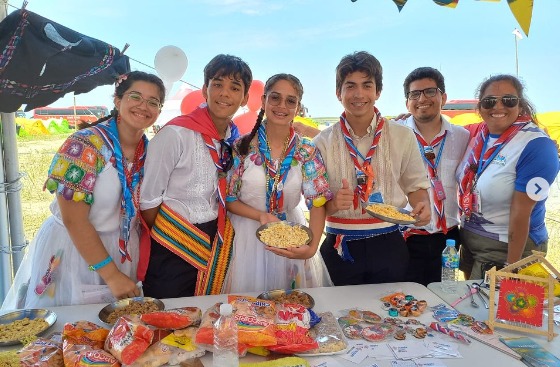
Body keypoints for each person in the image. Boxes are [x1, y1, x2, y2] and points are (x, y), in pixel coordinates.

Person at [1, 71, 165, 309]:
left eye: (153, 102)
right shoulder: (85, 145)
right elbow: (73, 220)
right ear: (118, 101)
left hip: (120, 249)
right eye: (135, 97)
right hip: (76, 248)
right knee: (70, 328)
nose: (144, 106)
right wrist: (111, 275)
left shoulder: (149, 152)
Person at [313, 51, 431, 286]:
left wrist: (422, 207)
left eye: (367, 85)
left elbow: (415, 187)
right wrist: (334, 203)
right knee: (340, 315)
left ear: (378, 91)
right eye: (350, 86)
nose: (359, 94)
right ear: (339, 93)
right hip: (340, 245)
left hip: (389, 243)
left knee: (388, 316)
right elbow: (316, 203)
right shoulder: (322, 142)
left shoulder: (403, 136)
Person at [140, 54, 253, 298]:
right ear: (204, 89)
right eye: (218, 84)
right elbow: (148, 200)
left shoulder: (233, 139)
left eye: (235, 88)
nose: (225, 93)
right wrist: (170, 235)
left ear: (244, 98)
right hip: (173, 240)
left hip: (215, 238)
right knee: (170, 317)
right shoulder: (176, 134)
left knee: (207, 319)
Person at [223, 73, 333, 293]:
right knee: (249, 313)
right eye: (275, 98)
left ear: (298, 107)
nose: (282, 106)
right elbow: (229, 199)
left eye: (290, 101)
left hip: (291, 235)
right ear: (263, 101)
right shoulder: (241, 147)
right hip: (245, 237)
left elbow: (317, 201)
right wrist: (260, 216)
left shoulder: (306, 151)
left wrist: (311, 248)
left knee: (291, 312)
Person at [457, 74, 559, 280]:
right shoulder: (480, 135)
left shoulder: (536, 145)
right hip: (470, 241)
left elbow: (522, 214)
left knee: (493, 310)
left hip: (508, 248)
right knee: (470, 309)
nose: (498, 106)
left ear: (520, 105)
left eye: (508, 100)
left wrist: (510, 267)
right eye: (489, 101)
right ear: (480, 107)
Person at [399, 67, 470, 286]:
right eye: (414, 94)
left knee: (444, 296)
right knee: (405, 301)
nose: (422, 99)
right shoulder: (394, 133)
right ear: (407, 102)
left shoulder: (463, 136)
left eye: (430, 91)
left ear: (443, 97)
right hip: (406, 236)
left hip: (447, 238)